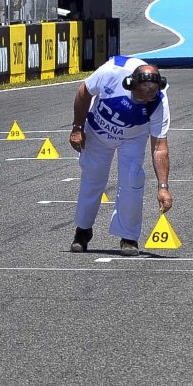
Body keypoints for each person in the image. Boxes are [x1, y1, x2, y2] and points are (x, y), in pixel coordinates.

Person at [68, 56, 172, 256]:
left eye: (150, 97)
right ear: (130, 84)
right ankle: (82, 231)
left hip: (133, 137)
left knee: (132, 180)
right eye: (141, 97)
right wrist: (77, 127)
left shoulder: (160, 101)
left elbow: (159, 146)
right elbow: (83, 92)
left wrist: (163, 187)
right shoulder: (112, 72)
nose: (145, 100)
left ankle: (128, 237)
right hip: (98, 132)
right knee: (92, 178)